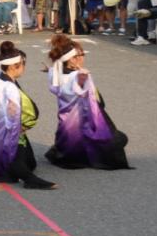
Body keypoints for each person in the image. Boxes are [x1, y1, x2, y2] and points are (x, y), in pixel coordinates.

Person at [44, 35, 130, 170]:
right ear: (71, 59)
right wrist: (83, 79)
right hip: (83, 116)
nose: (82, 58)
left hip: (65, 118)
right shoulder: (78, 75)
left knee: (70, 142)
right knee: (116, 140)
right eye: (79, 55)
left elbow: (58, 84)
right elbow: (91, 98)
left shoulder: (54, 72)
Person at [0, 41, 55, 189]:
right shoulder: (10, 89)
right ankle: (29, 179)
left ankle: (11, 173)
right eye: (22, 64)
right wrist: (18, 130)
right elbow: (14, 117)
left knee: (30, 162)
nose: (24, 68)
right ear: (12, 66)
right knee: (16, 155)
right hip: (8, 130)